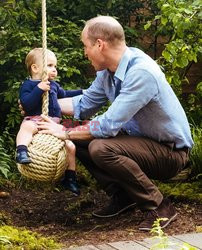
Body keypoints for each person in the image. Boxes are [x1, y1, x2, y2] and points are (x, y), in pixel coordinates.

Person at [36, 16, 193, 231]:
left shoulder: (141, 73)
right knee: (81, 140)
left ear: (99, 44)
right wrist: (38, 105)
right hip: (140, 143)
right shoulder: (107, 72)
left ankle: (159, 206)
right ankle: (123, 196)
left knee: (100, 147)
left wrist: (64, 132)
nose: (85, 53)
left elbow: (107, 126)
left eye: (86, 46)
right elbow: (85, 103)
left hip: (170, 153)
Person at [16, 48, 82, 196]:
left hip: (54, 124)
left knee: (70, 146)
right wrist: (39, 89)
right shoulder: (28, 85)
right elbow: (27, 104)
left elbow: (65, 95)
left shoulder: (54, 85)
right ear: (35, 68)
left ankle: (70, 178)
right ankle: (21, 151)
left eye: (55, 66)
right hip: (36, 121)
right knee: (26, 127)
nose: (54, 70)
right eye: (50, 65)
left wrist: (83, 91)